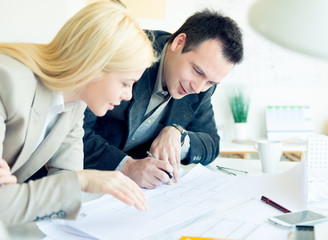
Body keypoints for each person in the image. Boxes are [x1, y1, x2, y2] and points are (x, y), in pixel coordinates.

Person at [0, 0, 156, 226]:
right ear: (94, 65)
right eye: (125, 83)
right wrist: (81, 180)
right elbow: (8, 204)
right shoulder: (7, 82)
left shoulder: (75, 104)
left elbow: (63, 184)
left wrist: (71, 183)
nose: (129, 96)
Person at [83, 9, 244, 189]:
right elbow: (74, 131)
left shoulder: (203, 86)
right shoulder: (130, 51)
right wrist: (126, 166)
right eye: (197, 71)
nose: (197, 88)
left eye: (211, 82)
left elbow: (212, 144)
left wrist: (177, 135)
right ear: (179, 42)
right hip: (78, 178)